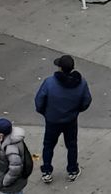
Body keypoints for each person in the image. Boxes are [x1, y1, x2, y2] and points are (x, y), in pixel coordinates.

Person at [33, 55, 92, 184]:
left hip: (52, 120)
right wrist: (76, 111)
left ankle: (47, 171)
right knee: (71, 145)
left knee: (48, 145)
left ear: (60, 68)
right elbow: (86, 101)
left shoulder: (49, 83)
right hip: (70, 120)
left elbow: (39, 102)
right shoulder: (81, 83)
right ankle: (72, 170)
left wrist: (46, 113)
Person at [0, 118, 33, 193]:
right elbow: (5, 151)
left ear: (1, 135)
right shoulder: (10, 139)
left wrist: (5, 181)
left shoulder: (11, 148)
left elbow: (15, 169)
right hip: (17, 181)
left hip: (13, 184)